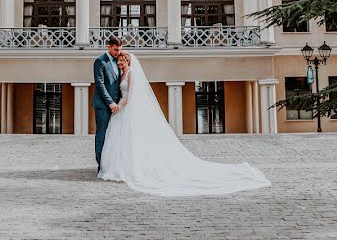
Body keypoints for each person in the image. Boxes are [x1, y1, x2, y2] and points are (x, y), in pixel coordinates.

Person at [98, 50, 271, 196]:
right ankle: (120, 167)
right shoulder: (122, 73)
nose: (120, 63)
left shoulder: (132, 73)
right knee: (123, 139)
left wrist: (118, 106)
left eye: (122, 60)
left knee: (132, 137)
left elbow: (130, 95)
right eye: (119, 60)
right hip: (122, 110)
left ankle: (132, 167)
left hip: (126, 108)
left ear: (127, 61)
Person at [91, 36, 122, 173]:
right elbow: (100, 85)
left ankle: (111, 164)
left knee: (114, 135)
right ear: (108, 47)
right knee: (102, 135)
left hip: (116, 107)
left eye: (119, 50)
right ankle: (101, 166)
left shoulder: (118, 62)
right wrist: (110, 103)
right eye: (115, 49)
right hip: (103, 106)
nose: (117, 52)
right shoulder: (100, 61)